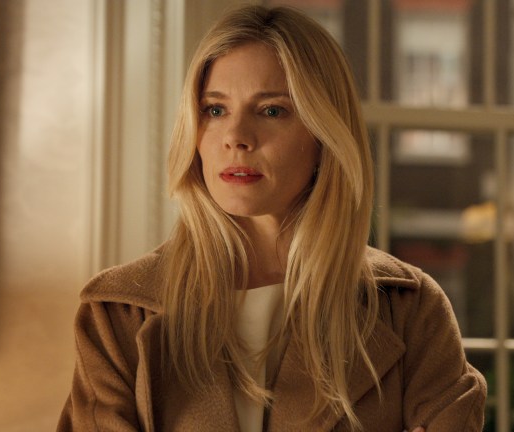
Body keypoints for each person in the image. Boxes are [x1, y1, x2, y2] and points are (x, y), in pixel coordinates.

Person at [58, 5, 486, 432]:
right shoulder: (118, 314)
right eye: (215, 110)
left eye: (271, 111)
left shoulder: (410, 309)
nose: (236, 138)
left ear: (324, 134)